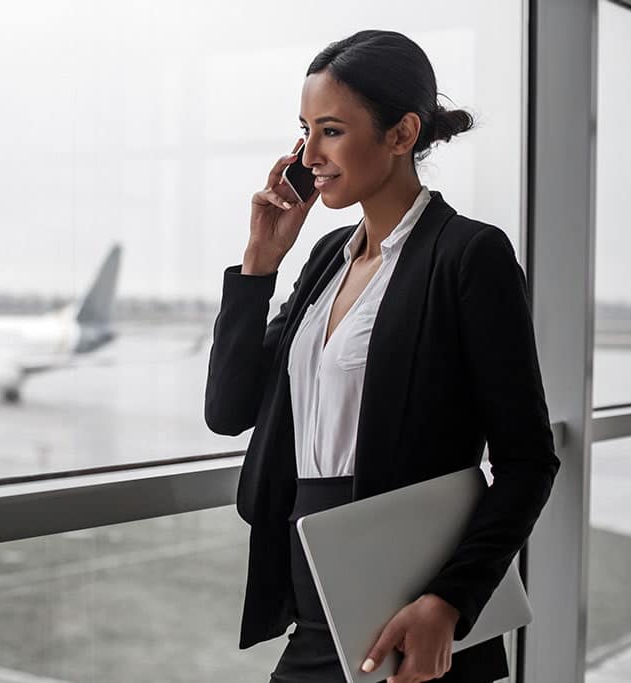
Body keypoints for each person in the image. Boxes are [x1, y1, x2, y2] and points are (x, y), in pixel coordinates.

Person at [204, 30, 560, 683]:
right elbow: (228, 411)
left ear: (401, 135)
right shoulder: (323, 260)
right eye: (304, 130)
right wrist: (259, 264)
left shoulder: (467, 257)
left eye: (332, 131)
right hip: (314, 597)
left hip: (411, 603)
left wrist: (449, 603)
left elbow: (528, 459)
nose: (308, 154)